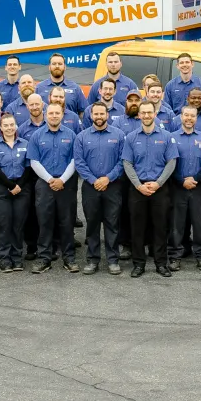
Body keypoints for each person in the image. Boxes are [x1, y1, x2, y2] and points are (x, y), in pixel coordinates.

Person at [123, 101, 177, 277]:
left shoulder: (167, 136)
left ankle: (161, 263)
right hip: (137, 188)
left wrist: (158, 183)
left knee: (160, 227)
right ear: (138, 115)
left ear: (155, 114)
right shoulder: (131, 138)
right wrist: (138, 185)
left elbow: (171, 162)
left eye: (149, 112)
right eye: (143, 113)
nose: (146, 116)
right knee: (137, 228)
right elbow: (127, 163)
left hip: (159, 188)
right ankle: (139, 264)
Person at [73, 100, 126, 275]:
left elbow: (122, 161)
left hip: (113, 186)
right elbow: (79, 162)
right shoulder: (82, 137)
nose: (99, 117)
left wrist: (107, 178)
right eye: (95, 114)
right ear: (91, 115)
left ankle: (113, 260)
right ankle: (92, 260)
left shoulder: (118, 135)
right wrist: (94, 179)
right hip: (90, 187)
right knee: (92, 224)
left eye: (102, 114)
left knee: (112, 223)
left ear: (107, 115)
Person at [27, 100, 79, 273]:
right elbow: (34, 161)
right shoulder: (37, 136)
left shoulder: (71, 135)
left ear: (62, 115)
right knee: (45, 222)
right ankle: (44, 259)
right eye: (51, 113)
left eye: (57, 113)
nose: (54, 116)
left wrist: (62, 180)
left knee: (67, 222)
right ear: (45, 114)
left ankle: (69, 258)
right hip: (44, 184)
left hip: (66, 185)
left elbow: (74, 160)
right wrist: (50, 179)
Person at [0, 114, 31, 271]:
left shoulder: (25, 144)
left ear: (16, 126)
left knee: (18, 224)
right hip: (0, 188)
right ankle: (4, 258)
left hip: (21, 188)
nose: (9, 128)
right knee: (3, 224)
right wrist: (11, 186)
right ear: (1, 128)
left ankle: (17, 256)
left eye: (12, 125)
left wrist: (19, 185)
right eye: (6, 125)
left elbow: (28, 167)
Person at [169, 105, 201, 271]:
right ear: (181, 117)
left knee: (200, 222)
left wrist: (196, 179)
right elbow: (169, 164)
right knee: (177, 223)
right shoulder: (171, 138)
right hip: (178, 187)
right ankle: (175, 255)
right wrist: (181, 180)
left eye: (192, 116)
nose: (189, 118)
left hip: (198, 187)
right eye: (186, 115)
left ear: (196, 118)